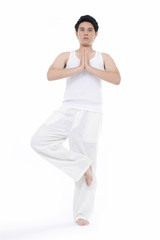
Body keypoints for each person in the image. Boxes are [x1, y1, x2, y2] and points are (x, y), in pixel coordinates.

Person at [30, 15, 121, 226]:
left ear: (96, 34)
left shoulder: (103, 57)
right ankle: (81, 165)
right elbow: (50, 74)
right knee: (39, 141)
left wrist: (89, 68)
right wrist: (79, 67)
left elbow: (116, 78)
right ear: (76, 33)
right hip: (68, 109)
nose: (86, 32)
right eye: (82, 29)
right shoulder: (67, 55)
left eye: (90, 29)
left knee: (89, 158)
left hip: (92, 113)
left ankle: (82, 214)